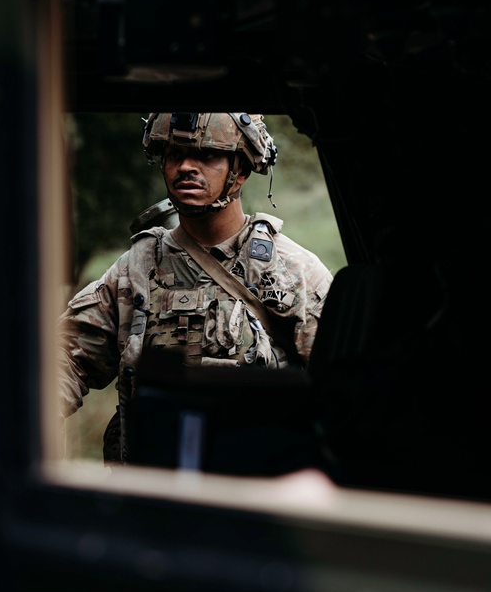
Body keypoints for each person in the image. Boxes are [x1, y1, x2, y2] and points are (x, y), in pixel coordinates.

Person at [59, 112, 334, 463]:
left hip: (258, 489)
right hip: (155, 492)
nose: (185, 167)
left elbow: (338, 389)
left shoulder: (293, 270)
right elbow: (66, 359)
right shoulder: (136, 269)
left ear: (243, 170)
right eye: (174, 155)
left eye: (207, 156)